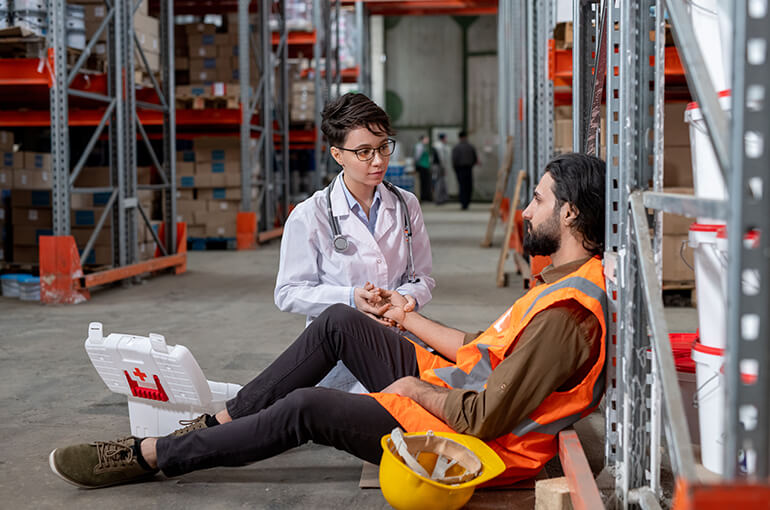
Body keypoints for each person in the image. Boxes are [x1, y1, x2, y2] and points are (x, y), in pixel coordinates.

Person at [49, 153, 608, 490]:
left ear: (571, 213)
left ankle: (151, 456)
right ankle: (218, 421)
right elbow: (483, 349)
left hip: (473, 442)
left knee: (306, 408)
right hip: (458, 388)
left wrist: (414, 385)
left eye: (537, 200)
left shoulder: (566, 312)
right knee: (341, 320)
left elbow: (482, 418)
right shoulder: (560, 280)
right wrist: (404, 316)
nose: (527, 211)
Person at [274, 92, 436, 391]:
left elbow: (422, 276)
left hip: (398, 338)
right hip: (337, 355)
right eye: (364, 152)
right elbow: (288, 293)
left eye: (383, 147)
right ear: (338, 155)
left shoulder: (406, 204)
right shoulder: (311, 215)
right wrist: (351, 298)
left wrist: (405, 297)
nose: (378, 161)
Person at [451, 131, 478, 210]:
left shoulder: (456, 147)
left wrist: (456, 169)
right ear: (466, 137)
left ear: (459, 137)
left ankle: (463, 203)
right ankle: (467, 202)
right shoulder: (470, 146)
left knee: (462, 186)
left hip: (460, 169)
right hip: (468, 168)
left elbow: (454, 159)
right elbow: (475, 158)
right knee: (468, 186)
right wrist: (471, 165)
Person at [432, 133, 450, 205]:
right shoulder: (440, 146)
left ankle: (441, 198)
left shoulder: (436, 145)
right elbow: (441, 158)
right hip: (438, 166)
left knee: (440, 182)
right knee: (439, 182)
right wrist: (443, 168)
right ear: (443, 138)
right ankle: (438, 199)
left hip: (436, 166)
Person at [414, 134, 433, 202]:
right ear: (422, 139)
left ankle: (426, 196)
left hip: (425, 166)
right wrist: (416, 165)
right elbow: (417, 157)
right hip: (422, 166)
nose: (427, 140)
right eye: (426, 139)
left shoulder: (424, 146)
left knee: (426, 182)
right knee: (423, 182)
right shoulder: (419, 146)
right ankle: (423, 197)